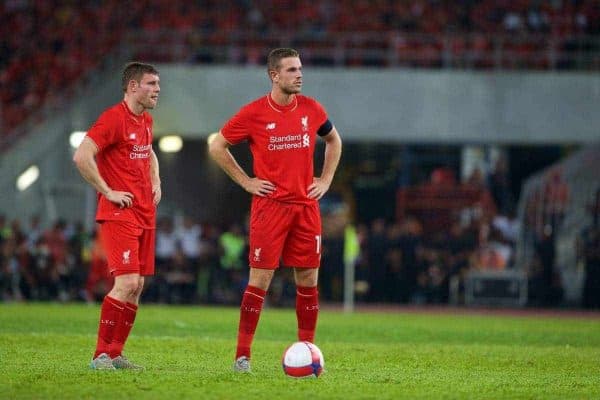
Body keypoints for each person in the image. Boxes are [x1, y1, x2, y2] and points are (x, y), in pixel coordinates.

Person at [209, 48, 342, 373]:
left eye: (300, 69)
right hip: (269, 209)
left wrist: (325, 180)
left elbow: (334, 141)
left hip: (306, 208)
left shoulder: (312, 108)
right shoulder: (254, 113)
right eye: (292, 70)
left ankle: (308, 351)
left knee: (308, 279)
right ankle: (242, 357)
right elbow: (217, 145)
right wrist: (247, 182)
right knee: (260, 280)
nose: (299, 75)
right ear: (274, 75)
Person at [73, 62, 161, 370]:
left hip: (144, 212)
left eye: (158, 85)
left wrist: (156, 180)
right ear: (133, 87)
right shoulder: (113, 119)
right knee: (125, 283)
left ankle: (115, 353)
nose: (157, 90)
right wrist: (108, 191)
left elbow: (148, 151)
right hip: (119, 212)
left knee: (137, 286)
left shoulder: (146, 120)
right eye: (151, 84)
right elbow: (82, 155)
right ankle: (100, 356)